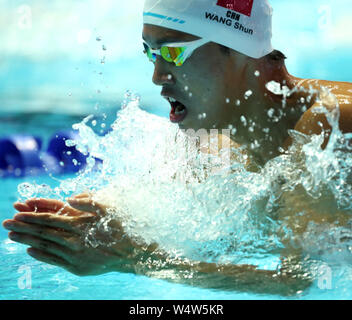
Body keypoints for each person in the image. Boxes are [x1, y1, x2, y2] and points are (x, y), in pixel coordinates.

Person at [3, 0, 352, 295]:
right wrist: (94, 225)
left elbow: (308, 284)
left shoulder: (332, 127)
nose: (157, 75)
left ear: (241, 51)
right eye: (150, 52)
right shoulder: (218, 140)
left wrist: (136, 259)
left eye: (173, 52)